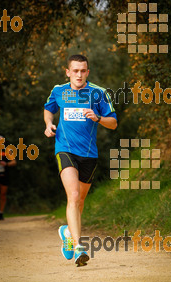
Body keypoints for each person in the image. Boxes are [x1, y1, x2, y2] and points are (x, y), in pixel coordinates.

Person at [44, 54, 117, 266]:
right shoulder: (58, 91)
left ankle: (67, 233)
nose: (79, 74)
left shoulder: (99, 93)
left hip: (89, 154)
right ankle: (78, 248)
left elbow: (113, 123)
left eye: (83, 70)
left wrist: (98, 118)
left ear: (88, 71)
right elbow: (48, 109)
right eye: (75, 70)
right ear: (68, 72)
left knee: (80, 201)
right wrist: (49, 125)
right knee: (73, 196)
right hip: (65, 149)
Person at [0, 135, 16, 220]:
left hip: (5, 174)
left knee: (3, 194)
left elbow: (14, 162)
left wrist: (6, 164)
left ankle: (1, 212)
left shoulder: (8, 150)